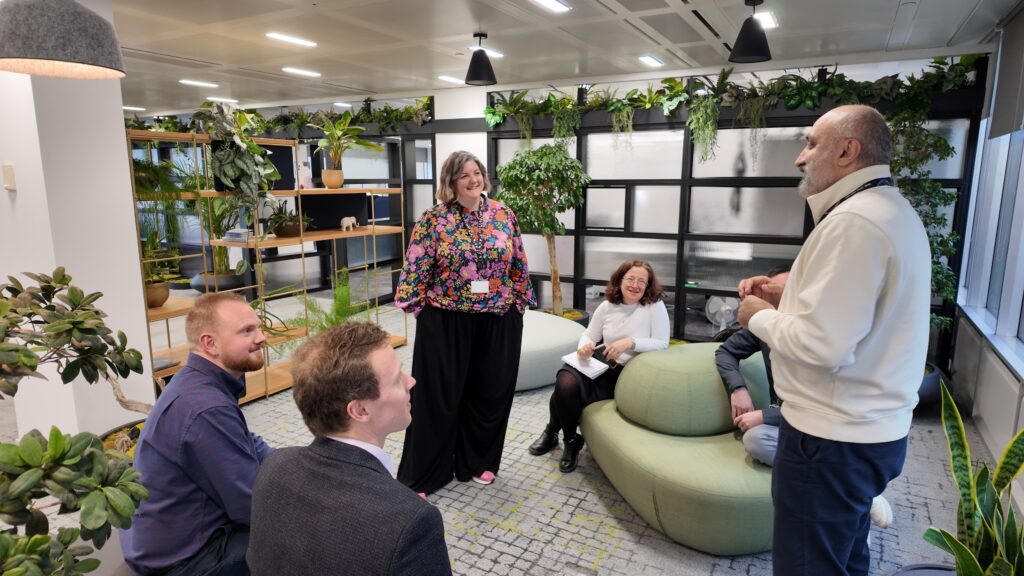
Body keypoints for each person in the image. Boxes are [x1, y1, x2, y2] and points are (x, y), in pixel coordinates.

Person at [737, 104, 930, 576]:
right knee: (845, 559)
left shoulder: (854, 223)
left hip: (830, 443)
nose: (800, 159)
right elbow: (866, 314)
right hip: (868, 434)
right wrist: (793, 292)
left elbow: (824, 347)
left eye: (811, 144)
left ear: (848, 150)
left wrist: (757, 316)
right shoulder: (892, 211)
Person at [247, 323, 451, 576]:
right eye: (397, 378)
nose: (412, 381)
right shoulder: (411, 521)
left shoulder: (275, 467)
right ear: (360, 410)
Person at [394, 150, 535, 495]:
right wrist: (418, 307)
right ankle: (426, 473)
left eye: (477, 173)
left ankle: (480, 461)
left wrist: (519, 299)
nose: (474, 180)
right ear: (451, 183)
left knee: (490, 392)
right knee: (435, 396)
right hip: (446, 317)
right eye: (464, 176)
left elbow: (518, 260)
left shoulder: (503, 214)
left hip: (499, 317)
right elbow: (415, 267)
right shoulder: (434, 219)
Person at [122, 292, 273, 576]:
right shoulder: (206, 407)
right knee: (305, 539)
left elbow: (249, 443)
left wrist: (298, 465)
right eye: (247, 331)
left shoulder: (199, 383)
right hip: (185, 561)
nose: (261, 337)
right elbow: (251, 505)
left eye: (259, 326)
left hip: (174, 540)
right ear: (210, 343)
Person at [528, 259, 670, 473]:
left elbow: (662, 343)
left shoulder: (653, 306)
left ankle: (551, 432)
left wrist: (630, 342)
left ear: (648, 285)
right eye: (630, 278)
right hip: (598, 360)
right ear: (620, 280)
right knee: (565, 382)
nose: (635, 285)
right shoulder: (608, 305)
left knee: (566, 391)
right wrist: (585, 347)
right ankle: (570, 439)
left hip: (626, 371)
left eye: (642, 281)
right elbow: (589, 335)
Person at [715, 264, 790, 465]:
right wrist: (738, 389)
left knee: (757, 438)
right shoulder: (765, 327)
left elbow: (816, 406)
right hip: (785, 424)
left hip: (819, 426)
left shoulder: (809, 332)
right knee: (756, 439)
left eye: (787, 290)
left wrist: (768, 416)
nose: (780, 296)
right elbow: (725, 351)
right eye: (773, 290)